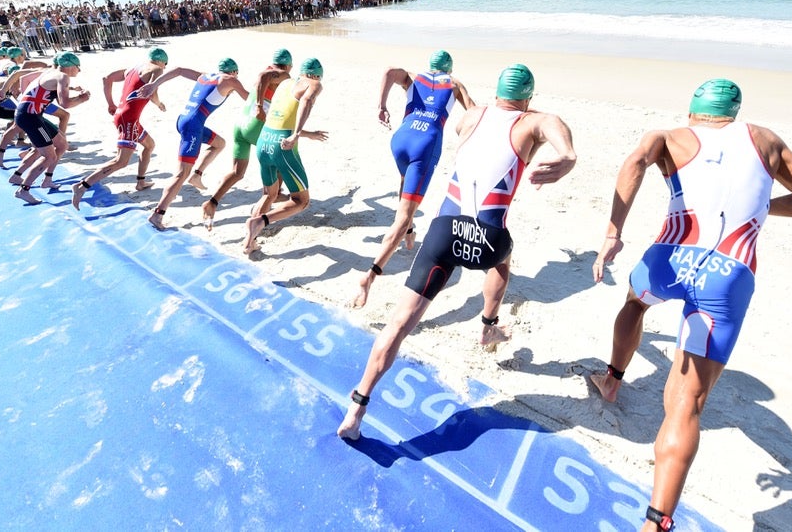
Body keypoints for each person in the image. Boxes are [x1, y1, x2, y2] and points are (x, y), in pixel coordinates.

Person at [587, 79, 792, 532]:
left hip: (668, 260)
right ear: (734, 114)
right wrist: (759, 207)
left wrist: (612, 233)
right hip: (727, 275)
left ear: (692, 111)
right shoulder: (765, 140)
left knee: (635, 303)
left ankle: (611, 381)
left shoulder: (667, 137)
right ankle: (656, 522)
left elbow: (635, 162)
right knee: (685, 405)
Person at [337, 64, 577, 441]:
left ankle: (356, 407)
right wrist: (567, 155)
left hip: (443, 235)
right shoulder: (531, 123)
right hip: (487, 240)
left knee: (399, 324)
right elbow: (552, 123)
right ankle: (487, 327)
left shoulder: (472, 117)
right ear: (528, 98)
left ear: (496, 93)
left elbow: (478, 123)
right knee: (502, 257)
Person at [353, 49, 474, 308]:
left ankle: (409, 233)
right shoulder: (454, 84)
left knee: (405, 184)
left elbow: (387, 71)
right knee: (405, 213)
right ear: (449, 69)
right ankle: (370, 276)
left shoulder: (413, 77)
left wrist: (381, 106)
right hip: (425, 146)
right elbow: (473, 113)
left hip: (401, 139)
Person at [71, 48, 189, 210]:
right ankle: (82, 186)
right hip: (129, 120)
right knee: (121, 161)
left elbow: (107, 78)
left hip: (123, 115)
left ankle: (141, 182)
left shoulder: (133, 69)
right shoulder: (157, 69)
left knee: (149, 145)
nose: (165, 67)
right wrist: (159, 104)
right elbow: (152, 92)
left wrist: (110, 104)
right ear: (162, 61)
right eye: (165, 64)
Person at [148, 58, 250, 229]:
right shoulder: (229, 80)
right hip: (193, 127)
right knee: (181, 174)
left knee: (219, 143)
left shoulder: (205, 76)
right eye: (236, 74)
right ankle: (158, 214)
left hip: (184, 120)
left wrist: (155, 84)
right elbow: (249, 99)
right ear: (233, 72)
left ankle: (197, 175)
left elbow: (179, 68)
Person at [200, 48, 294, 229]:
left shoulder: (271, 73)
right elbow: (264, 76)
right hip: (256, 128)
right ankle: (263, 210)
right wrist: (260, 105)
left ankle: (212, 202)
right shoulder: (281, 74)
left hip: (241, 127)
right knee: (280, 162)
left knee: (237, 172)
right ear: (288, 64)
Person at [242, 58, 329, 253]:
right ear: (315, 75)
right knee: (301, 201)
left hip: (264, 140)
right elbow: (306, 101)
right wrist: (297, 134)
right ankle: (261, 221)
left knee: (269, 194)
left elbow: (282, 119)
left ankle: (249, 242)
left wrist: (307, 134)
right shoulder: (314, 83)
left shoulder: (285, 82)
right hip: (282, 147)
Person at [9, 52, 90, 204]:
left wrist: (26, 98)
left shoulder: (51, 72)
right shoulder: (63, 77)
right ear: (71, 66)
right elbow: (65, 104)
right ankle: (23, 190)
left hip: (30, 113)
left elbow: (24, 78)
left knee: (62, 144)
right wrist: (81, 99)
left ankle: (45, 180)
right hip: (30, 116)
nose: (79, 71)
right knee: (49, 156)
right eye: (78, 67)